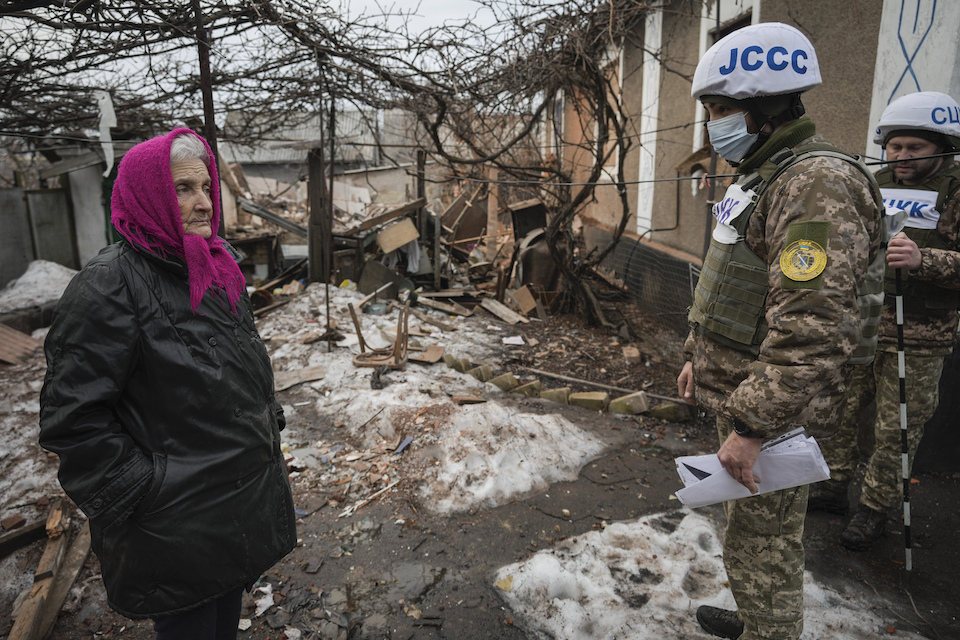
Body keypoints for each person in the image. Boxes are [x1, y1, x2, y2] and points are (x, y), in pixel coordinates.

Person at [39, 128, 297, 639]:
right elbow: (73, 420)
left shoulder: (213, 265)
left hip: (231, 505)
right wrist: (147, 492)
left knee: (223, 621)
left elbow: (234, 368)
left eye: (205, 187)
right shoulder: (110, 284)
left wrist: (265, 422)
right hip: (173, 522)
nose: (204, 202)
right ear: (148, 194)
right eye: (183, 188)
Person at [676, 23, 884, 640]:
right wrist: (695, 356)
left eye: (720, 111)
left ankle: (769, 628)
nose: (712, 126)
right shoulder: (764, 173)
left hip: (774, 414)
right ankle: (754, 616)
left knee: (765, 542)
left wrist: (752, 426)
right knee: (750, 531)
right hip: (748, 393)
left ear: (765, 110)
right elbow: (731, 279)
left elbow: (812, 326)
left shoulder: (816, 183)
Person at [809, 91, 960, 551]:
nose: (902, 156)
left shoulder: (956, 192)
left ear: (944, 147)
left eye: (915, 147)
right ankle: (832, 487)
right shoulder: (875, 182)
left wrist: (925, 260)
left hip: (920, 335)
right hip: (864, 325)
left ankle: (874, 508)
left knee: (896, 430)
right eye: (895, 147)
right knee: (840, 413)